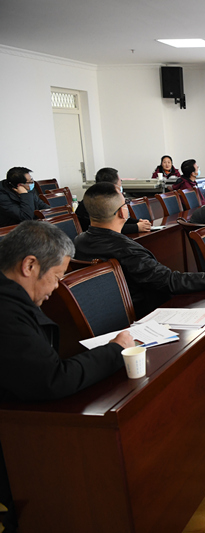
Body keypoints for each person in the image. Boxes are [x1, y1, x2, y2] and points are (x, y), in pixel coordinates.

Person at [0, 221, 134, 532]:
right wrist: (116, 351)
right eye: (57, 277)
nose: (57, 287)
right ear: (30, 266)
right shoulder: (6, 314)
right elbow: (52, 380)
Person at [74, 182, 205, 318]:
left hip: (111, 317)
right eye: (126, 204)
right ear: (122, 213)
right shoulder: (128, 251)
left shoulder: (78, 241)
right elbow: (171, 282)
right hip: (147, 315)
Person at [75, 167, 151, 233]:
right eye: (120, 181)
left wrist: (138, 222)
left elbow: (119, 219)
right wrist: (136, 227)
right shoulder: (98, 202)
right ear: (114, 186)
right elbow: (107, 228)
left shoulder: (99, 197)